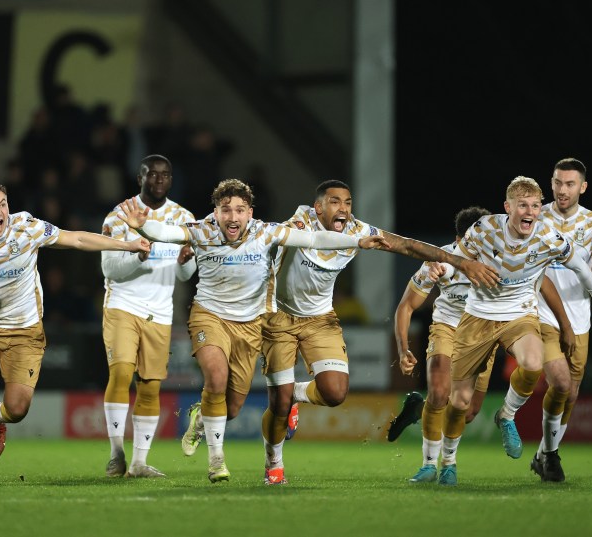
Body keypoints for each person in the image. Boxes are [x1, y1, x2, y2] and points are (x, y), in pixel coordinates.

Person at [118, 178, 391, 483]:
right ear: (216, 212)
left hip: (249, 326)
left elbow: (314, 240)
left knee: (231, 409)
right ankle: (216, 461)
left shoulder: (265, 232)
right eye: (225, 210)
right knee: (217, 377)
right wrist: (143, 227)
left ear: (249, 212)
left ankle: (200, 420)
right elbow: (165, 233)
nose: (232, 217)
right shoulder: (202, 230)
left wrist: (357, 241)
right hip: (209, 316)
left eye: (239, 210)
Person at [255, 183, 499, 485]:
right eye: (334, 202)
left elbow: (408, 246)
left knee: (334, 393)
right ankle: (273, 464)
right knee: (276, 405)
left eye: (347, 202)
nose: (343, 208)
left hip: (320, 319)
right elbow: (304, 239)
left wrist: (460, 262)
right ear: (318, 207)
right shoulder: (299, 224)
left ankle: (293, 394)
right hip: (279, 316)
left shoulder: (357, 229)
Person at [0, 177, 150, 485]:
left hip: (24, 332)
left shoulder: (26, 228)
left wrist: (126, 244)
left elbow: (77, 239)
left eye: (3, 204)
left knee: (17, 409)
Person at [435, 176, 592, 487]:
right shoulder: (485, 228)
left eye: (534, 205)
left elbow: (581, 267)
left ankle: (505, 415)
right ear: (508, 208)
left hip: (519, 315)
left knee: (532, 364)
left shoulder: (546, 235)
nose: (529, 211)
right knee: (460, 402)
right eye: (522, 205)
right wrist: (445, 269)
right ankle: (448, 460)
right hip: (478, 317)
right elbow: (458, 258)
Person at [393, 206, 573, 483]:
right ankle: (433, 464)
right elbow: (406, 306)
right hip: (448, 328)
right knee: (441, 394)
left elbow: (544, 284)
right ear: (461, 239)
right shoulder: (439, 262)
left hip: (482, 331)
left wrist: (565, 325)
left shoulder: (503, 258)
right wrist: (404, 348)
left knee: (467, 411)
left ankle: (418, 408)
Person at [100, 154, 197, 479]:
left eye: (165, 175)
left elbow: (186, 274)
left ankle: (139, 463)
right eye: (152, 174)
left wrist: (185, 260)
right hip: (123, 305)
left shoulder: (183, 217)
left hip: (160, 311)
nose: (159, 180)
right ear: (139, 176)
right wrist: (138, 256)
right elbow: (109, 267)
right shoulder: (119, 215)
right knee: (122, 372)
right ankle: (116, 453)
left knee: (151, 386)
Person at [529, 158, 592, 482]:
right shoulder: (537, 217)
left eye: (569, 184)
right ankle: (550, 455)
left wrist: (587, 274)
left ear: (583, 187)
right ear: (550, 183)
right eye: (557, 183)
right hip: (544, 313)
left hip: (580, 319)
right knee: (560, 383)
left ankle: (542, 454)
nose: (562, 190)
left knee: (572, 393)